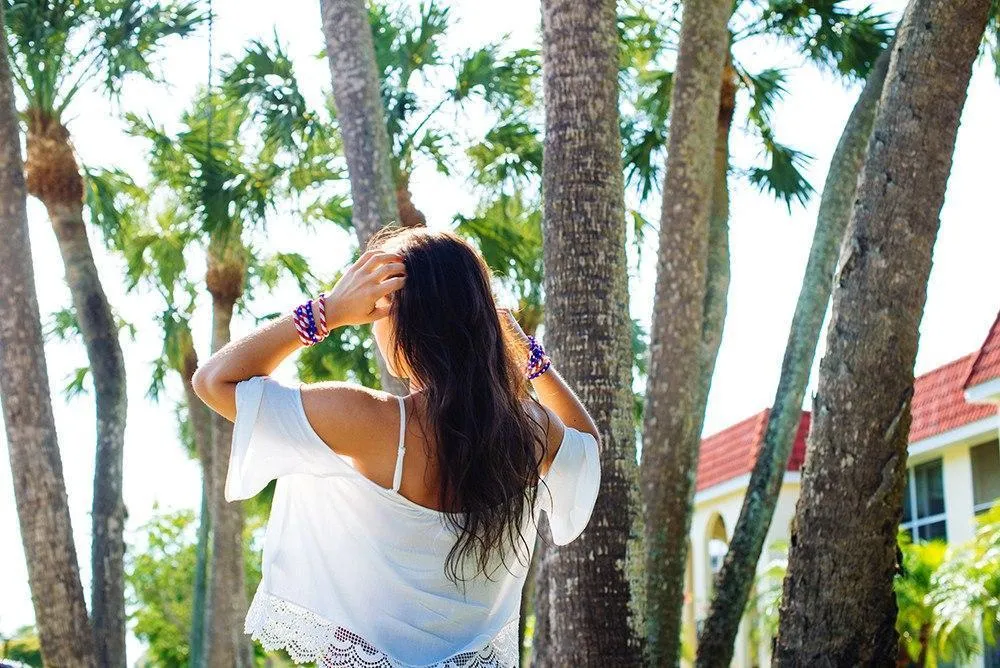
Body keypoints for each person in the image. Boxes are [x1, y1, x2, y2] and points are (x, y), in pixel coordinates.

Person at [192, 226, 602, 667]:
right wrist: (522, 349)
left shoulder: (370, 422)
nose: (374, 324)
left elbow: (214, 381)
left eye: (379, 306)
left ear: (408, 318)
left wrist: (327, 311)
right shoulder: (528, 434)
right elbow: (587, 445)